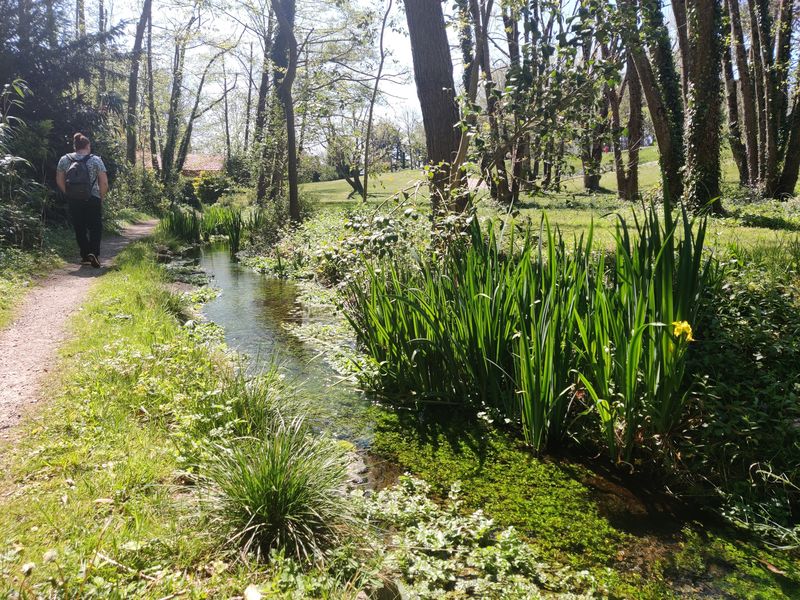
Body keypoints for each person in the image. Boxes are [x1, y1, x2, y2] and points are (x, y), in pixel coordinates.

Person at [55, 133, 109, 268]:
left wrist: (68, 193)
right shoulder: (96, 160)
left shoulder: (65, 159)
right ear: (88, 146)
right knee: (95, 226)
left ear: (75, 146)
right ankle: (94, 254)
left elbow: (59, 180)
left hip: (74, 199)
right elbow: (104, 183)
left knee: (80, 226)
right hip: (93, 197)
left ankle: (85, 255)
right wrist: (100, 197)